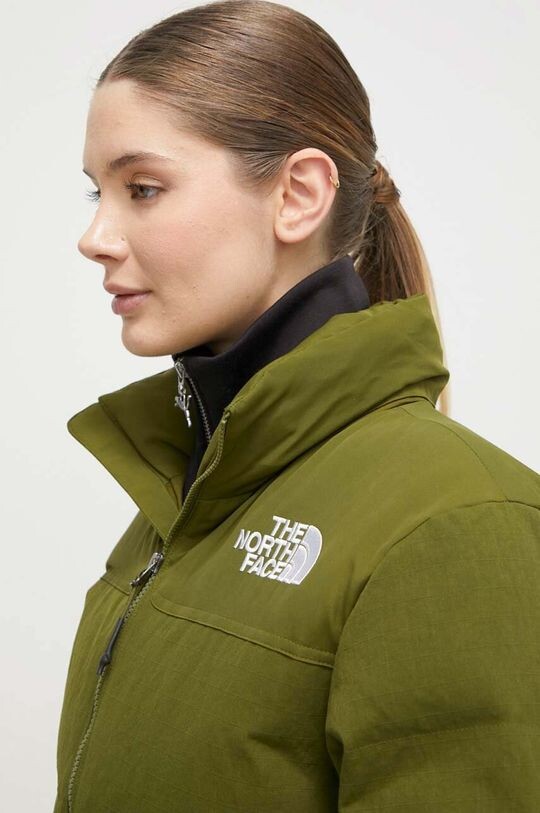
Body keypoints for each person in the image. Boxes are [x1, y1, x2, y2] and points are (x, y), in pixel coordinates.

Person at [53, 1, 540, 811]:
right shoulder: (181, 500)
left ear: (298, 195)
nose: (95, 236)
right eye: (95, 192)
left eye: (142, 188)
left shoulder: (458, 522)